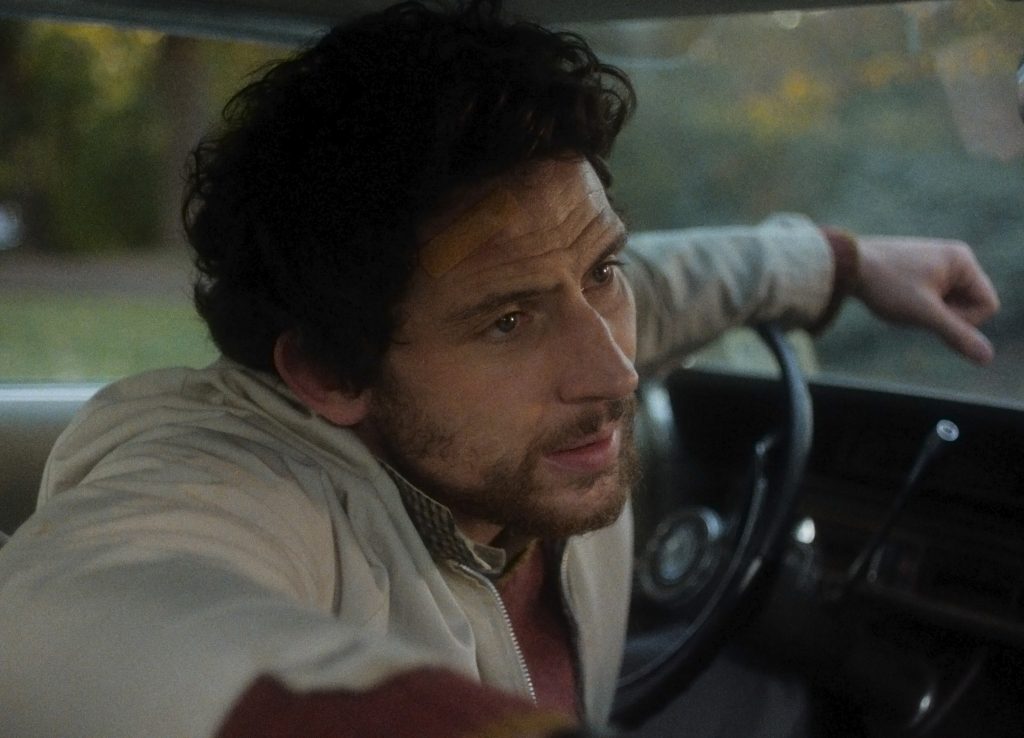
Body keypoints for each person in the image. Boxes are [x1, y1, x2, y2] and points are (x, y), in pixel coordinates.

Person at [0, 2, 999, 737]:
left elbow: (663, 283)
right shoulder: (223, 465)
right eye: (508, 322)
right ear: (328, 374)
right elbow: (78, 624)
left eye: (598, 271)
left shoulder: (550, 373)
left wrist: (843, 262)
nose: (613, 373)